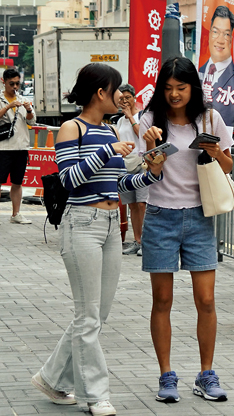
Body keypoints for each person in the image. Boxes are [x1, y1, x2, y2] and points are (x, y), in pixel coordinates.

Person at [31, 64, 164, 416]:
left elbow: (120, 186)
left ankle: (52, 378)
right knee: (88, 316)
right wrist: (108, 153)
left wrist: (151, 172)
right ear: (100, 93)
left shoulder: (108, 131)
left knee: (96, 315)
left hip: (109, 225)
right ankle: (96, 395)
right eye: (117, 89)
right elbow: (70, 180)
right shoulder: (70, 129)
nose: (122, 96)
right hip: (81, 224)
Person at [140, 56, 233, 404]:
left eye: (180, 88)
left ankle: (206, 374)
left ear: (193, 88)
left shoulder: (210, 118)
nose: (174, 94)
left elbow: (227, 165)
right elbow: (150, 173)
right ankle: (166, 376)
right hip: (160, 216)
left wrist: (212, 151)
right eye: (168, 89)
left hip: (199, 217)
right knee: (162, 300)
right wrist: (152, 149)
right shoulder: (150, 121)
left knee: (206, 300)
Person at [114, 84, 146, 256]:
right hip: (125, 166)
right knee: (132, 205)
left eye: (128, 97)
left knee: (142, 204)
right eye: (121, 98)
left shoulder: (142, 115)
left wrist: (131, 117)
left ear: (134, 97)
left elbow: (143, 135)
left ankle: (146, 243)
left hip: (141, 164)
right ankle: (137, 240)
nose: (125, 101)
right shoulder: (120, 121)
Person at [0, 68, 34, 224]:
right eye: (11, 84)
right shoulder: (1, 99)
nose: (14, 87)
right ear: (3, 82)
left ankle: (16, 214)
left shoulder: (22, 99)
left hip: (21, 147)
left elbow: (31, 122)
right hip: (3, 148)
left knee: (17, 182)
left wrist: (28, 111)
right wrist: (8, 106)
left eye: (17, 84)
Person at [198, 5, 234, 130]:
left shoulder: (232, 76)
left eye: (226, 34)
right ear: (209, 35)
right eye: (215, 32)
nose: (220, 40)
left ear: (231, 39)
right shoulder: (199, 71)